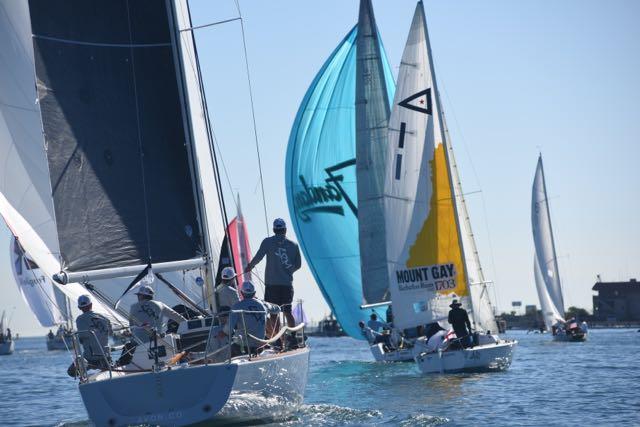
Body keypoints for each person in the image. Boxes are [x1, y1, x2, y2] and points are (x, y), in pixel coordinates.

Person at [245, 218, 301, 335]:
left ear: (274, 230)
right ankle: (293, 337)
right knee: (287, 312)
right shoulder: (294, 245)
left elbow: (258, 257)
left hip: (272, 285)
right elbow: (298, 265)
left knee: (274, 314)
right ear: (285, 230)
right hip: (287, 285)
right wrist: (288, 271)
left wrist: (250, 266)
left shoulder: (267, 242)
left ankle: (278, 340)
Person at [227, 281, 280, 356]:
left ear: (241, 293)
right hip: (259, 346)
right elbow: (278, 309)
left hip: (242, 346)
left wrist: (222, 333)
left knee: (232, 347)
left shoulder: (237, 306)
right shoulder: (263, 304)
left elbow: (228, 329)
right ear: (254, 293)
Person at [67, 295, 112, 377]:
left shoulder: (80, 319)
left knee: (71, 372)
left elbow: (81, 339)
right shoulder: (104, 318)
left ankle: (88, 378)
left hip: (90, 359)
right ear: (91, 305)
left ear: (79, 308)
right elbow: (110, 333)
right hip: (106, 357)